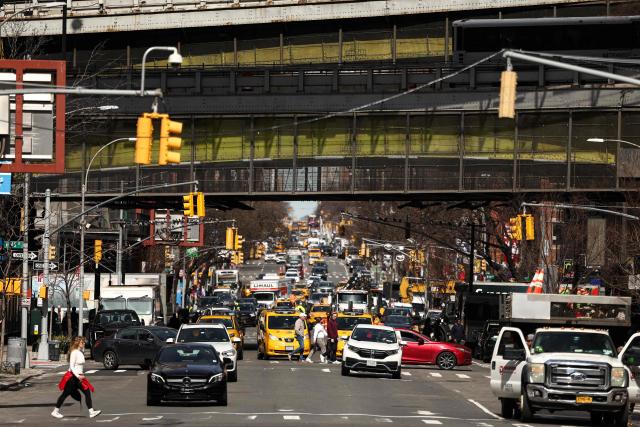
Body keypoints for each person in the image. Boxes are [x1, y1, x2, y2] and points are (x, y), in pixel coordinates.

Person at [52, 337, 101, 419]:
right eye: (82, 342)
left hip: (79, 377)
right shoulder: (74, 352)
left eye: (84, 342)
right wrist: (78, 376)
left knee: (87, 392)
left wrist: (80, 376)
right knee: (65, 394)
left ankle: (91, 411)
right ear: (78, 343)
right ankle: (55, 411)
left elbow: (80, 363)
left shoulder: (80, 352)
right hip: (73, 378)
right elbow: (71, 366)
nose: (84, 343)